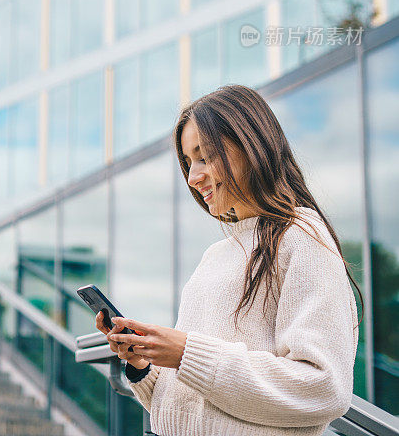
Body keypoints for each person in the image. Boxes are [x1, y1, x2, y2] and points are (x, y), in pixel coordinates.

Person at [96, 84, 363, 436]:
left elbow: (323, 387)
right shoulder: (216, 256)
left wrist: (187, 354)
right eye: (189, 163)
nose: (193, 178)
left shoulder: (301, 237)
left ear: (251, 147)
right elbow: (201, 406)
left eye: (205, 157)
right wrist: (144, 365)